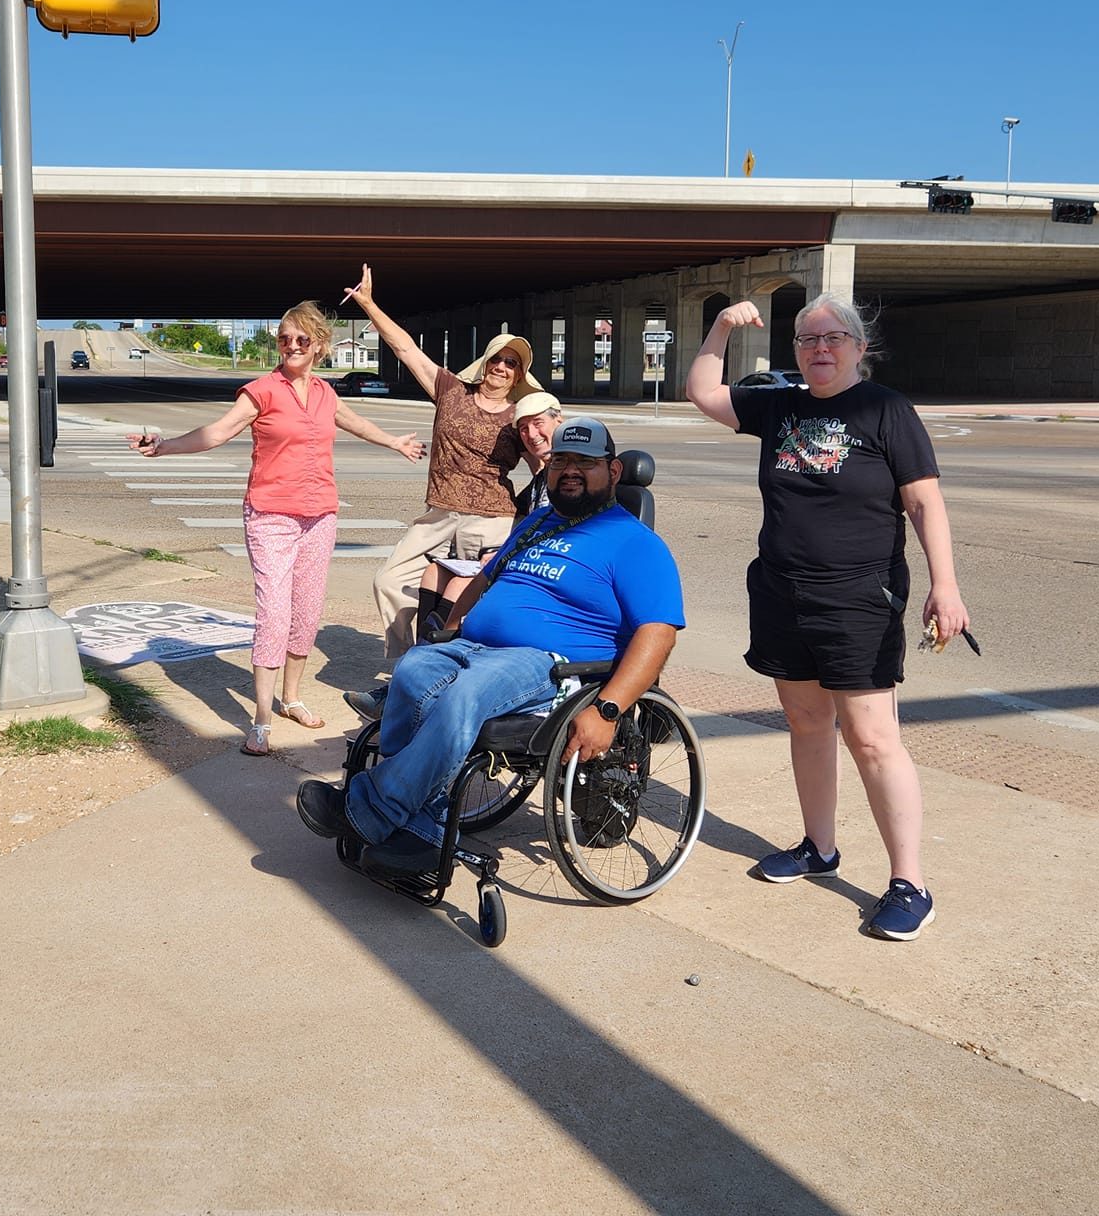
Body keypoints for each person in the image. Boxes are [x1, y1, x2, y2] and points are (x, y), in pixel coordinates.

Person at [685, 294, 968, 941]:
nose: (820, 349)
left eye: (834, 337)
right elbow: (704, 391)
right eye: (808, 340)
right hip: (784, 595)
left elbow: (924, 503)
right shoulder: (779, 405)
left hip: (859, 599)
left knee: (871, 738)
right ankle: (820, 847)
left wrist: (944, 586)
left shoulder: (886, 411)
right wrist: (724, 326)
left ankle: (909, 882)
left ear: (859, 347)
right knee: (807, 722)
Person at [296, 418, 684, 873]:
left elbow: (658, 634)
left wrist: (609, 710)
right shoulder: (539, 521)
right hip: (476, 648)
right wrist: (451, 632)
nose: (569, 470)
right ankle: (422, 830)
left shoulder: (636, 543)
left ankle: (371, 810)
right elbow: (484, 579)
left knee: (466, 693)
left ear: (614, 472)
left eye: (585, 462)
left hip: (553, 667)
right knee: (413, 671)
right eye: (561, 460)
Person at [128, 302, 424, 755]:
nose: (290, 345)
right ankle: (262, 720)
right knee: (274, 613)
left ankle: (291, 698)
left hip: (320, 515)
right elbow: (217, 432)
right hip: (270, 515)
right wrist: (164, 446)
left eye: (300, 339)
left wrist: (394, 441)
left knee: (306, 611)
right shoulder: (261, 391)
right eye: (284, 338)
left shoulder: (325, 393)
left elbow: (354, 422)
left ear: (319, 345)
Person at [343, 264, 539, 666]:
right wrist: (368, 304)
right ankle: (406, 667)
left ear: (519, 374)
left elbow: (544, 462)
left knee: (468, 603)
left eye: (512, 363)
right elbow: (405, 349)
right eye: (497, 358)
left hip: (492, 520)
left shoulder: (521, 414)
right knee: (389, 582)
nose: (502, 367)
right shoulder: (450, 390)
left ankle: (455, 669)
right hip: (440, 515)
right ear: (485, 360)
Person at [407, 390, 565, 646]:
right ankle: (418, 659)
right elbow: (523, 523)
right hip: (526, 560)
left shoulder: (570, 473)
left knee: (461, 584)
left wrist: (507, 556)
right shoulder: (542, 478)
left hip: (547, 569)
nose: (531, 435)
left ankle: (433, 661)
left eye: (538, 424)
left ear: (559, 420)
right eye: (523, 429)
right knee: (434, 573)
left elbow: (563, 533)